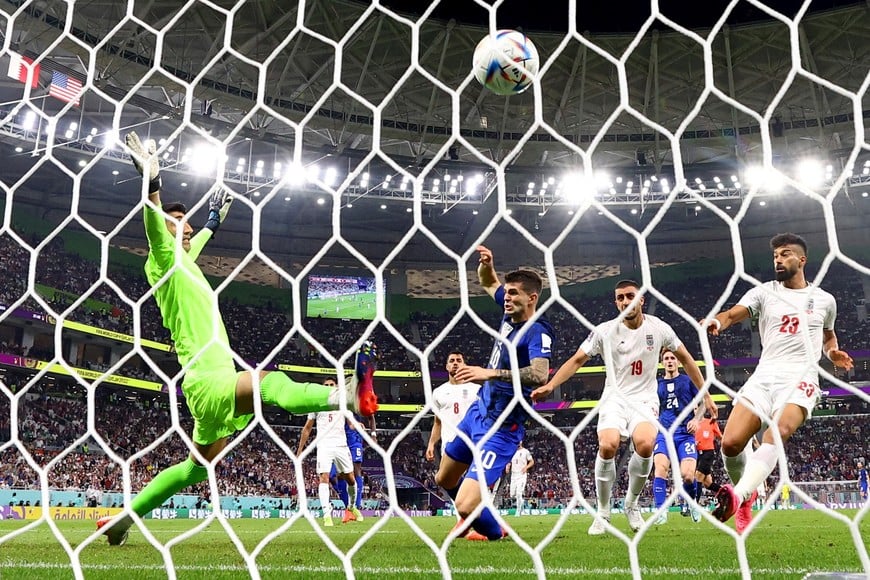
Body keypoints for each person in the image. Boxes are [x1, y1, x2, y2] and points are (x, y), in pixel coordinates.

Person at [97, 133, 378, 545]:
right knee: (271, 382)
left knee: (195, 469)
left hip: (206, 385)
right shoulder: (162, 262)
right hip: (210, 383)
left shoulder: (184, 263)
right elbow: (156, 229)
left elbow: (192, 238)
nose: (187, 226)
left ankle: (125, 517)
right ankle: (346, 396)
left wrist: (213, 221)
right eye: (180, 222)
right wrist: (152, 187)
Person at [532, 279, 711, 536]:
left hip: (644, 399)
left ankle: (631, 503)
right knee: (608, 445)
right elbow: (577, 360)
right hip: (614, 398)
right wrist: (550, 387)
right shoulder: (605, 331)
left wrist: (705, 394)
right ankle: (603, 511)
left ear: (641, 300)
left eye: (630, 296)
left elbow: (686, 359)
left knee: (646, 444)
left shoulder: (659, 328)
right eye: (620, 298)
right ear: (616, 302)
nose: (625, 301)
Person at [703, 233, 853, 534]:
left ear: (802, 259)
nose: (778, 260)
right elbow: (732, 314)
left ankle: (739, 495)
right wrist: (718, 322)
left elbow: (828, 335)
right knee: (731, 444)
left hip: (801, 377)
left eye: (785, 254)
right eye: (775, 257)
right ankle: (745, 496)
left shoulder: (825, 300)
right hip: (764, 376)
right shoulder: (764, 293)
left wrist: (832, 352)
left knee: (778, 430)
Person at [434, 246, 553, 542]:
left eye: (513, 294)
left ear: (532, 298)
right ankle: (482, 522)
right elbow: (488, 282)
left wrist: (491, 373)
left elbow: (539, 374)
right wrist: (488, 264)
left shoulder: (537, 331)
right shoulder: (507, 312)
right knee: (444, 478)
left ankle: (491, 531)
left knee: (464, 504)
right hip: (478, 413)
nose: (507, 298)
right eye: (508, 293)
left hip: (502, 428)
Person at [652, 349, 716, 525]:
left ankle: (692, 502)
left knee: (687, 475)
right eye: (666, 358)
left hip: (685, 434)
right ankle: (660, 510)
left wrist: (697, 419)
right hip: (664, 434)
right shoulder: (656, 385)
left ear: (679, 362)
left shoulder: (687, 381)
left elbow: (704, 402)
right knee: (660, 468)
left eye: (673, 358)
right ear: (662, 362)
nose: (670, 361)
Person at [296, 377, 363, 528]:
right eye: (326, 385)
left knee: (350, 479)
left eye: (331, 384)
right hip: (324, 446)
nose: (328, 386)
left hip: (341, 446)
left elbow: (351, 422)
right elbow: (307, 428)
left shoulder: (342, 403)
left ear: (335, 386)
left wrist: (356, 425)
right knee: (323, 477)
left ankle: (352, 507)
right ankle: (327, 515)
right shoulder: (316, 404)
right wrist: (300, 450)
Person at [425, 351, 481, 463]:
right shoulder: (438, 392)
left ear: (464, 366)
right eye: (452, 361)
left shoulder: (477, 390)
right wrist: (431, 443)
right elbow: (437, 422)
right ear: (447, 366)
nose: (455, 363)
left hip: (473, 447)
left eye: (459, 361)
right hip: (448, 448)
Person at [336, 407, 376, 523]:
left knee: (355, 469)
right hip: (340, 437)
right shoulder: (339, 396)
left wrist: (373, 435)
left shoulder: (360, 398)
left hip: (354, 438)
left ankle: (356, 506)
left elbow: (371, 416)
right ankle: (348, 508)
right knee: (339, 475)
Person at [694, 413, 723, 504]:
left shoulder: (710, 422)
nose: (695, 411)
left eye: (696, 409)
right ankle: (728, 494)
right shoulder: (691, 424)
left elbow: (720, 436)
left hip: (708, 453)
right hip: (698, 454)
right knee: (708, 484)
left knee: (698, 477)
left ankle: (694, 505)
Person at [507, 441, 534, 516]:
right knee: (512, 495)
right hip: (513, 475)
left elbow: (532, 462)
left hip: (521, 475)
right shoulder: (512, 451)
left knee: (519, 493)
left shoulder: (525, 451)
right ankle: (522, 509)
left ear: (521, 442)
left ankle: (518, 511)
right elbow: (509, 461)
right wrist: (508, 466)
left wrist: (526, 467)